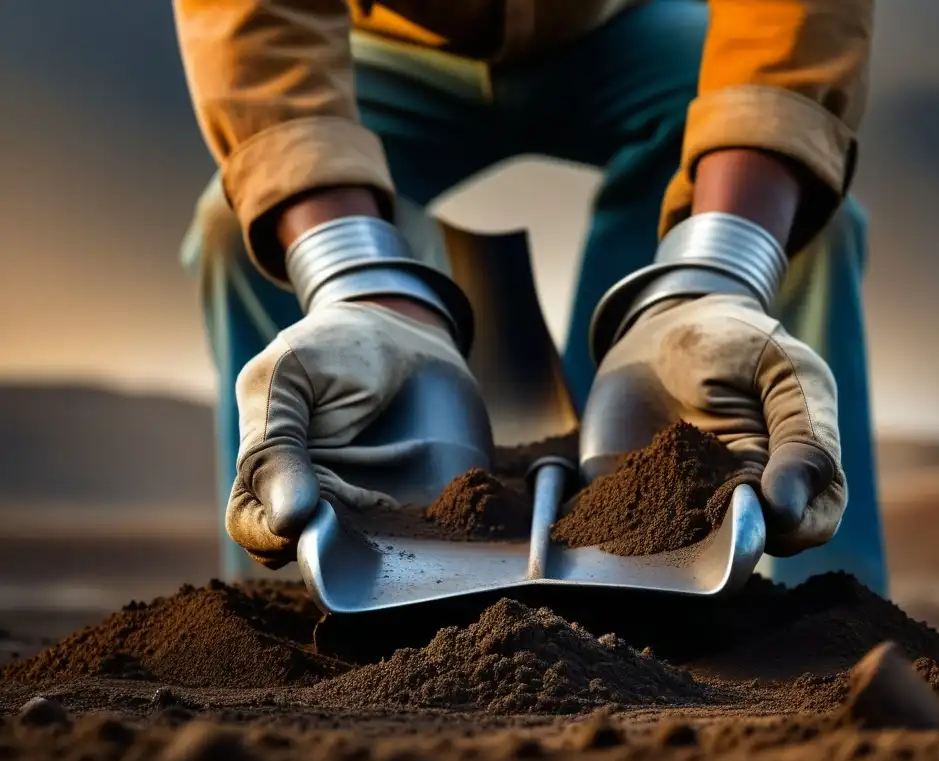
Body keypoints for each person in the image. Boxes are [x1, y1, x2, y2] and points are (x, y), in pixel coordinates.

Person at [175, 0, 888, 595]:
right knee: (235, 227)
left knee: (801, 216)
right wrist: (354, 281)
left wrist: (721, 272)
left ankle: (824, 619)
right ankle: (288, 603)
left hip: (612, 29)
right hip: (384, 42)